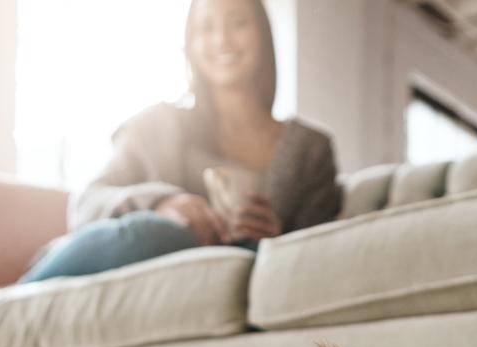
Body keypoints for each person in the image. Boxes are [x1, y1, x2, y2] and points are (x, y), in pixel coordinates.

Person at [21, 0, 342, 283]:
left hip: (221, 288)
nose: (222, 39)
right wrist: (161, 204)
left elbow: (315, 261)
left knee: (249, 253)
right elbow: (86, 204)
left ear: (263, 33)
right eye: (206, 27)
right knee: (160, 233)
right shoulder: (156, 125)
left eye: (238, 22)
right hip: (122, 266)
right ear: (190, 44)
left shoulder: (309, 149)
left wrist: (277, 239)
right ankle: (10, 304)